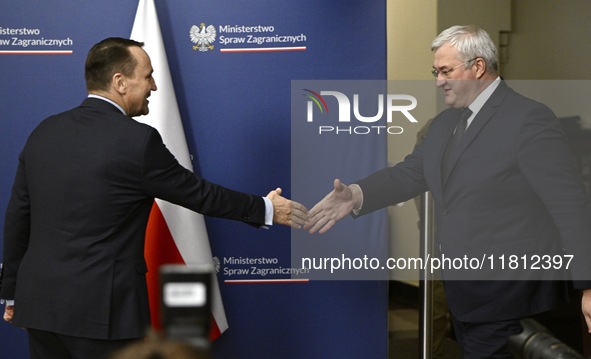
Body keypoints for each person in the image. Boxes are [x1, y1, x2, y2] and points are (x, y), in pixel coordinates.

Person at [0, 37, 307, 359]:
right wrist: (266, 208)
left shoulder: (44, 131)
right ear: (120, 82)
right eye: (147, 75)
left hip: (40, 308)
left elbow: (18, 216)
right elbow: (199, 195)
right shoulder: (136, 141)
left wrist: (10, 293)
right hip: (101, 315)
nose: (154, 86)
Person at [305, 25, 591, 358]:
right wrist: (356, 194)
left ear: (478, 67)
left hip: (510, 293)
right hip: (465, 293)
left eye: (446, 71)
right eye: (435, 72)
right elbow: (410, 172)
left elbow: (570, 204)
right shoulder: (444, 124)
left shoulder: (528, 119)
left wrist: (587, 285)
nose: (439, 80)